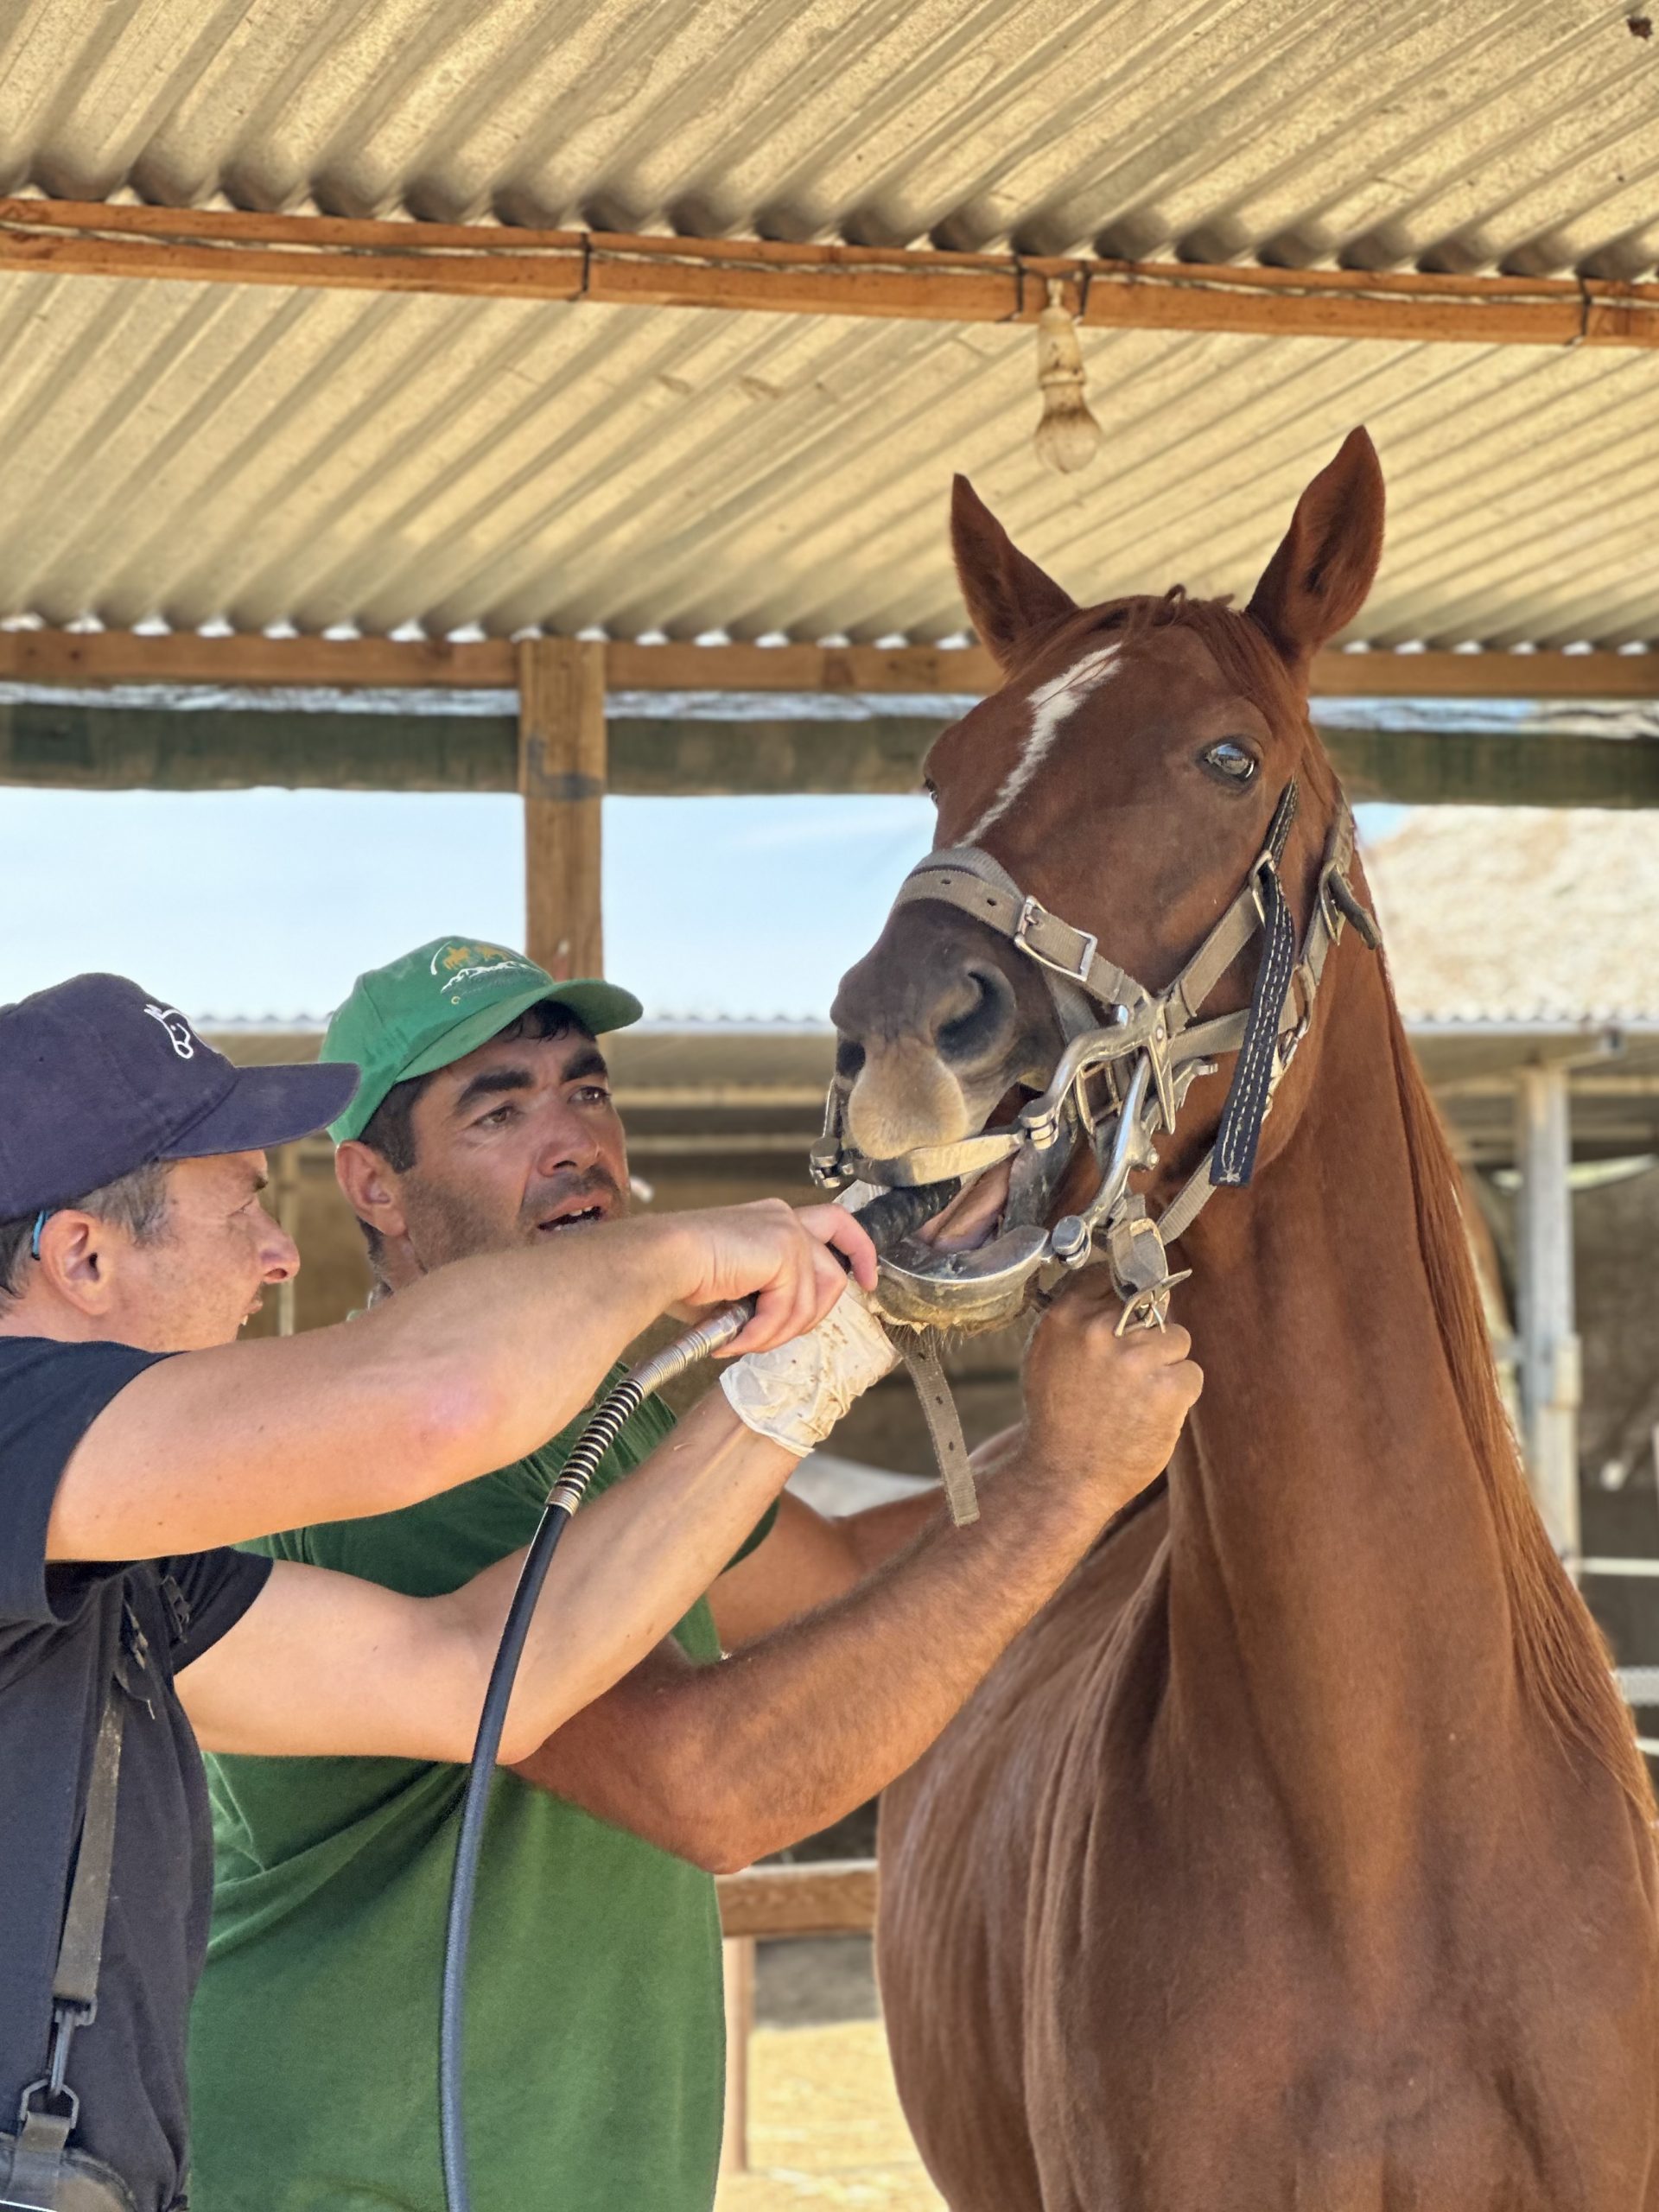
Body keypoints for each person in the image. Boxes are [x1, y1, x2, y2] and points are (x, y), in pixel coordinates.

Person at [189, 936, 1205, 2212]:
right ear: (373, 1187)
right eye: (500, 1112)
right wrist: (1063, 1488)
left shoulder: (596, 1423)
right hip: (367, 2180)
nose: (575, 1141)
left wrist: (1146, 1448)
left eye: (587, 1091)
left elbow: (841, 1570)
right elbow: (709, 1784)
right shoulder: (392, 1450)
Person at [0, 970, 891, 2212]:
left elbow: (477, 1676)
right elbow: (436, 1402)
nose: (279, 1254)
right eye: (242, 1207)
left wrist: (790, 1387)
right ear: (83, 1256)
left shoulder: (129, 1567)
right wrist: (686, 1247)